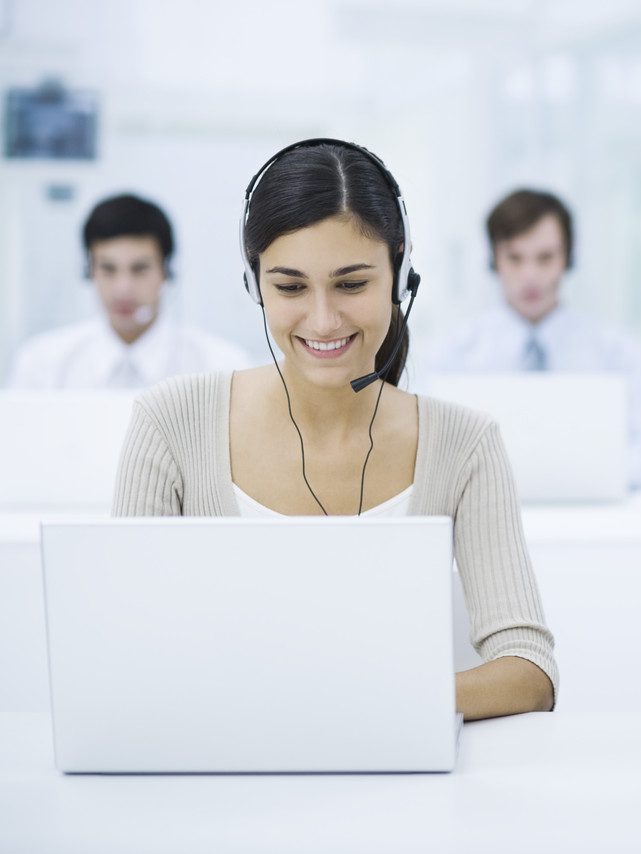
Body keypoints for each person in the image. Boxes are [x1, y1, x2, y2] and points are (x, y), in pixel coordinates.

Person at [112, 140, 557, 721]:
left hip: (406, 788)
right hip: (218, 784)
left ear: (400, 276)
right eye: (290, 287)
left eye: (351, 285)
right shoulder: (171, 423)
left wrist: (362, 702)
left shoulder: (464, 443)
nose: (322, 321)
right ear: (255, 285)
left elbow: (528, 667)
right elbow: (120, 650)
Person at [425, 188, 641, 487]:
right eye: (515, 258)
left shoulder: (617, 355)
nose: (530, 275)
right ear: (494, 259)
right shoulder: (453, 357)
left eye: (545, 258)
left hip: (595, 517)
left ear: (567, 258)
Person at [5, 193, 251, 388]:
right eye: (108, 269)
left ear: (166, 271)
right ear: (89, 270)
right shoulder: (41, 364)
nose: (123, 288)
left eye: (139, 268)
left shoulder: (222, 366)